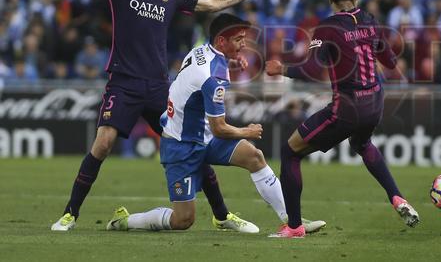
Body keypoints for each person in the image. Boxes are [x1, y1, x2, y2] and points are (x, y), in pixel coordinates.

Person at [38, 0, 283, 232]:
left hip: (158, 87)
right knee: (104, 143)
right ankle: (70, 213)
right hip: (123, 83)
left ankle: (222, 215)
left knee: (192, 143)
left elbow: (213, 4)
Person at [106, 14, 325, 233]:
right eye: (238, 39)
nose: (244, 44)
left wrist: (232, 59)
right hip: (180, 145)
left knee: (254, 157)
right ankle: (125, 221)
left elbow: (205, 71)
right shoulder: (214, 78)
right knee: (183, 220)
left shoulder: (201, 48)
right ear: (221, 41)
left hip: (204, 137)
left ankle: (292, 220)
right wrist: (245, 131)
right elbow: (220, 127)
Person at [265, 0, 420, 238]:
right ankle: (397, 197)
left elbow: (313, 70)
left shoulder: (326, 28)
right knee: (362, 144)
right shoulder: (370, 20)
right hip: (375, 103)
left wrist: (282, 69)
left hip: (347, 108)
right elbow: (391, 62)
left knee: (290, 151)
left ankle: (294, 227)